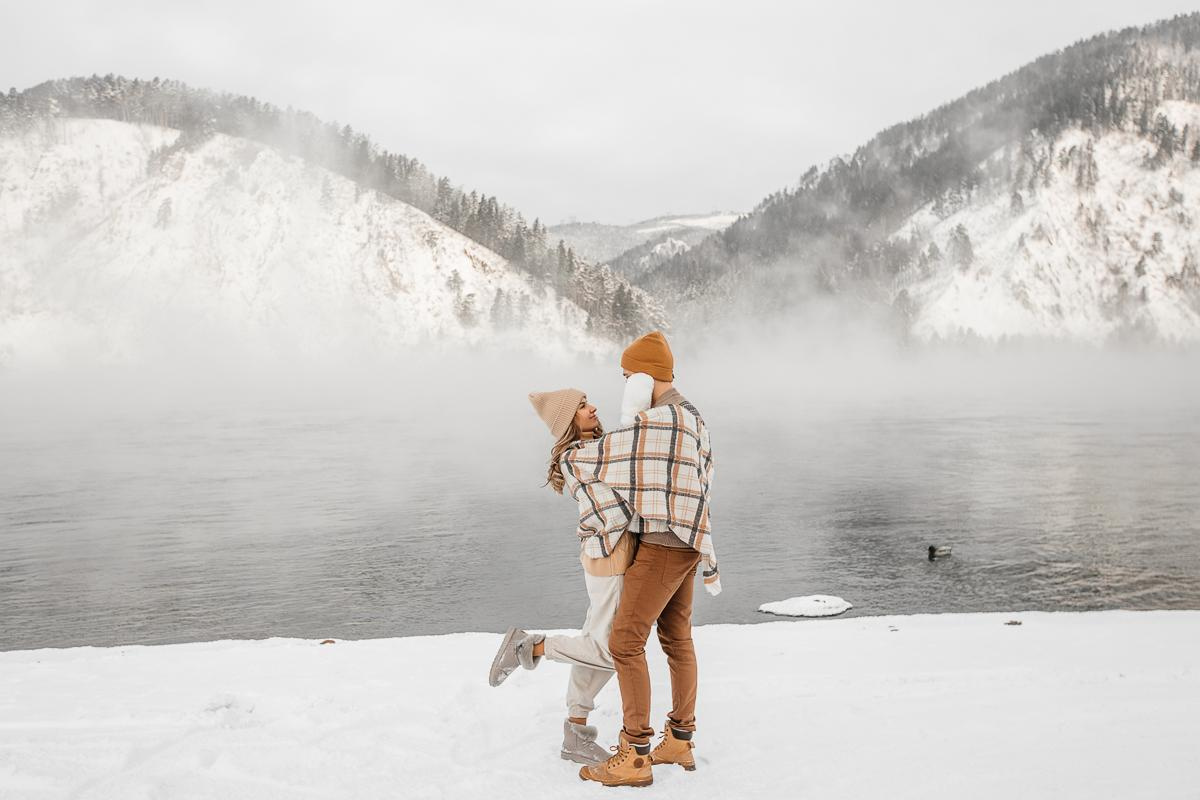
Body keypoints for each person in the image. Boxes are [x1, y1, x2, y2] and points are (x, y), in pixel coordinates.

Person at [565, 331, 720, 788]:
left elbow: (608, 457)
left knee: (624, 642)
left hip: (664, 543)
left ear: (643, 375)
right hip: (690, 539)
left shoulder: (659, 420)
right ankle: (680, 739)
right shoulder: (689, 414)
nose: (624, 380)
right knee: (675, 637)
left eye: (627, 373)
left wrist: (567, 451)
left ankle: (634, 753)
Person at [487, 387, 637, 765]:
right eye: (583, 406)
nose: (593, 408)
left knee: (595, 643)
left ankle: (576, 732)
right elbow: (620, 505)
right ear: (567, 421)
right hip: (610, 555)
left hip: (610, 554)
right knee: (611, 651)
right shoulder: (578, 456)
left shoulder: (595, 447)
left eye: (589, 402)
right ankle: (529, 646)